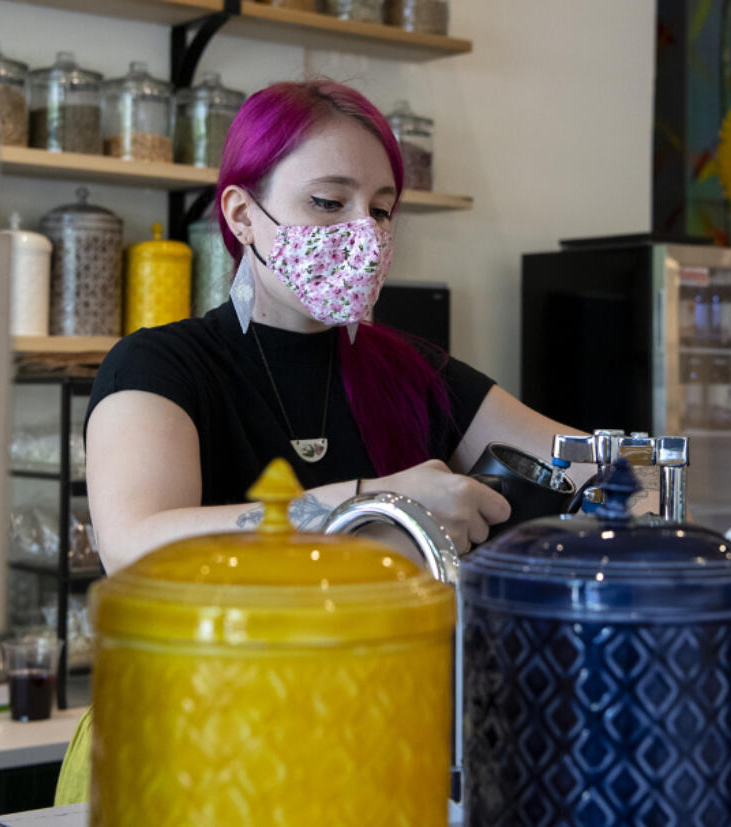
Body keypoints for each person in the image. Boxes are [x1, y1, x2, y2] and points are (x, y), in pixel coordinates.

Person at [85, 79, 584, 573]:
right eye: (327, 202)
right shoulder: (160, 366)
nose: (364, 232)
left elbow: (593, 468)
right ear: (242, 216)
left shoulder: (413, 372)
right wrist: (374, 505)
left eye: (381, 210)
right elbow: (135, 548)